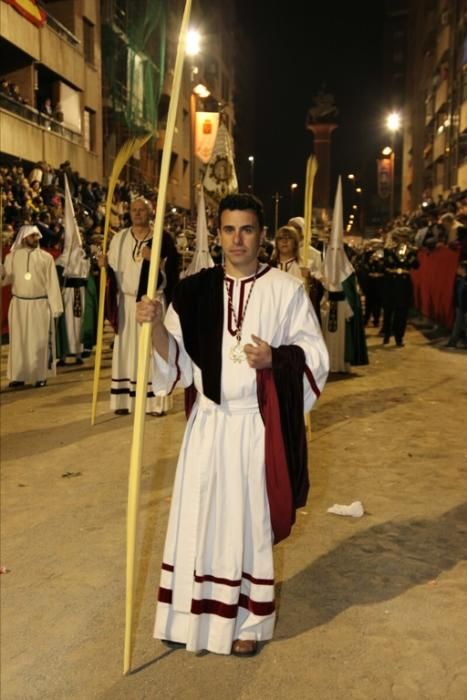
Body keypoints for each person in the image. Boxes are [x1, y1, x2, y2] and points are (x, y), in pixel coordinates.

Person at [136, 192, 329, 657]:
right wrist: (158, 326)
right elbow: (177, 365)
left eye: (246, 229)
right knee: (199, 517)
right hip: (207, 424)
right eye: (228, 229)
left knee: (248, 522)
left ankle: (250, 622)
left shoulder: (286, 290)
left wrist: (276, 358)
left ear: (261, 235)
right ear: (218, 234)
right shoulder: (194, 290)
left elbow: (316, 359)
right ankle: (188, 615)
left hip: (254, 427)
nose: (237, 239)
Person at [98, 197, 171, 415]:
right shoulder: (119, 238)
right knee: (126, 350)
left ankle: (155, 403)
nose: (137, 213)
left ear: (150, 213)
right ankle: (123, 400)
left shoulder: (162, 239)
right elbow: (112, 273)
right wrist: (104, 266)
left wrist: (155, 262)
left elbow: (172, 275)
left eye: (142, 210)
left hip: (151, 302)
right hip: (127, 303)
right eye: (134, 210)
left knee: (152, 351)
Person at [1, 225, 63, 387]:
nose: (36, 239)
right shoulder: (12, 257)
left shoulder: (46, 258)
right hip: (19, 305)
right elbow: (5, 280)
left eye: (37, 236)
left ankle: (40, 375)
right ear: (23, 238)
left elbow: (52, 284)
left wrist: (56, 307)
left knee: (39, 341)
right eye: (32, 236)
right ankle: (18, 375)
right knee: (19, 341)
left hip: (40, 305)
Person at [382, 227, 419, 347]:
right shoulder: (388, 250)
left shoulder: (412, 251)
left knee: (402, 311)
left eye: (405, 237)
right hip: (391, 281)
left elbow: (416, 265)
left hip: (404, 282)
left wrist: (413, 255)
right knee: (388, 309)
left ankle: (399, 337)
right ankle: (387, 334)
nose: (403, 239)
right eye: (400, 237)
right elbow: (385, 265)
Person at [446, 259, 467, 349]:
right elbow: (456, 293)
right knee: (457, 325)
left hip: (466, 307)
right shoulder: (458, 280)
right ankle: (452, 342)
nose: (457, 269)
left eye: (459, 268)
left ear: (463, 269)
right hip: (459, 306)